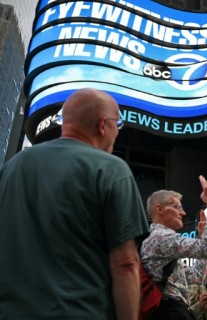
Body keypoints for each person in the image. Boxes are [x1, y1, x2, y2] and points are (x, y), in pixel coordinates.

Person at [0, 88, 149, 319]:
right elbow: (126, 263)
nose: (117, 133)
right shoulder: (111, 169)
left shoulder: (13, 166)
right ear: (102, 125)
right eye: (117, 125)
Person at [141, 177, 207, 320]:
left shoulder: (155, 238)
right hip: (170, 311)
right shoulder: (162, 237)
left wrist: (201, 236)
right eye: (177, 207)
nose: (183, 213)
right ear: (159, 209)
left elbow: (195, 277)